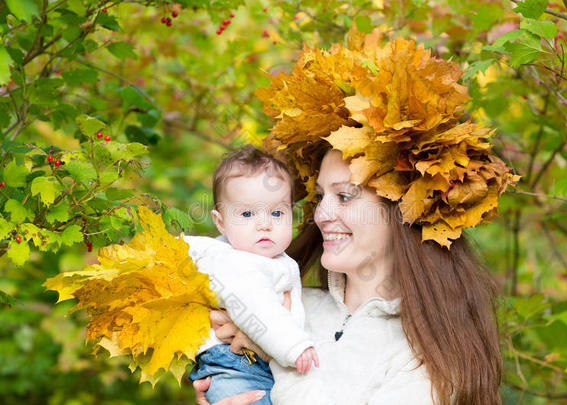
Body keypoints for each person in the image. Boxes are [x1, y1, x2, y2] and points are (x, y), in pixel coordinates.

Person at [193, 26, 516, 405]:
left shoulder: (430, 359)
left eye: (345, 196)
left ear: (404, 210)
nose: (322, 214)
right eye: (319, 196)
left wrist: (273, 349)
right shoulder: (288, 302)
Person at [183, 145, 319, 405]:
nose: (265, 223)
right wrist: (295, 346)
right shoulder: (236, 263)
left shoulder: (268, 260)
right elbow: (257, 306)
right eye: (247, 214)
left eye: (277, 213)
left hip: (253, 366)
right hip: (236, 367)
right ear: (220, 222)